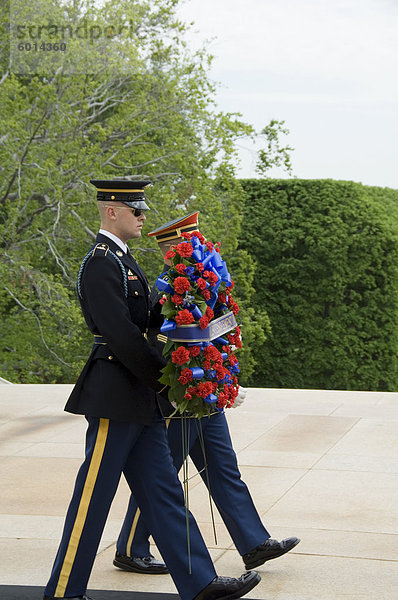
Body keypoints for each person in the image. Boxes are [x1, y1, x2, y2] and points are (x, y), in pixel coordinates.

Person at [42, 180, 261, 600]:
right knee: (93, 498)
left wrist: (193, 293)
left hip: (139, 398)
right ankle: (64, 591)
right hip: (115, 394)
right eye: (135, 210)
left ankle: (200, 583)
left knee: (164, 494)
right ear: (111, 211)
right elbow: (121, 334)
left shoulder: (125, 260)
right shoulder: (101, 262)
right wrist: (166, 376)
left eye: (141, 210)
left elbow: (149, 319)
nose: (142, 216)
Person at [112, 213, 300, 576]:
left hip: (206, 392)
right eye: (188, 243)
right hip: (181, 395)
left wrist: (222, 379)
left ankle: (252, 542)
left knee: (224, 469)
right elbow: (166, 341)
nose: (197, 248)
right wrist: (196, 380)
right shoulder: (172, 289)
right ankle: (131, 547)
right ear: (172, 248)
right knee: (160, 475)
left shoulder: (199, 285)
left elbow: (213, 332)